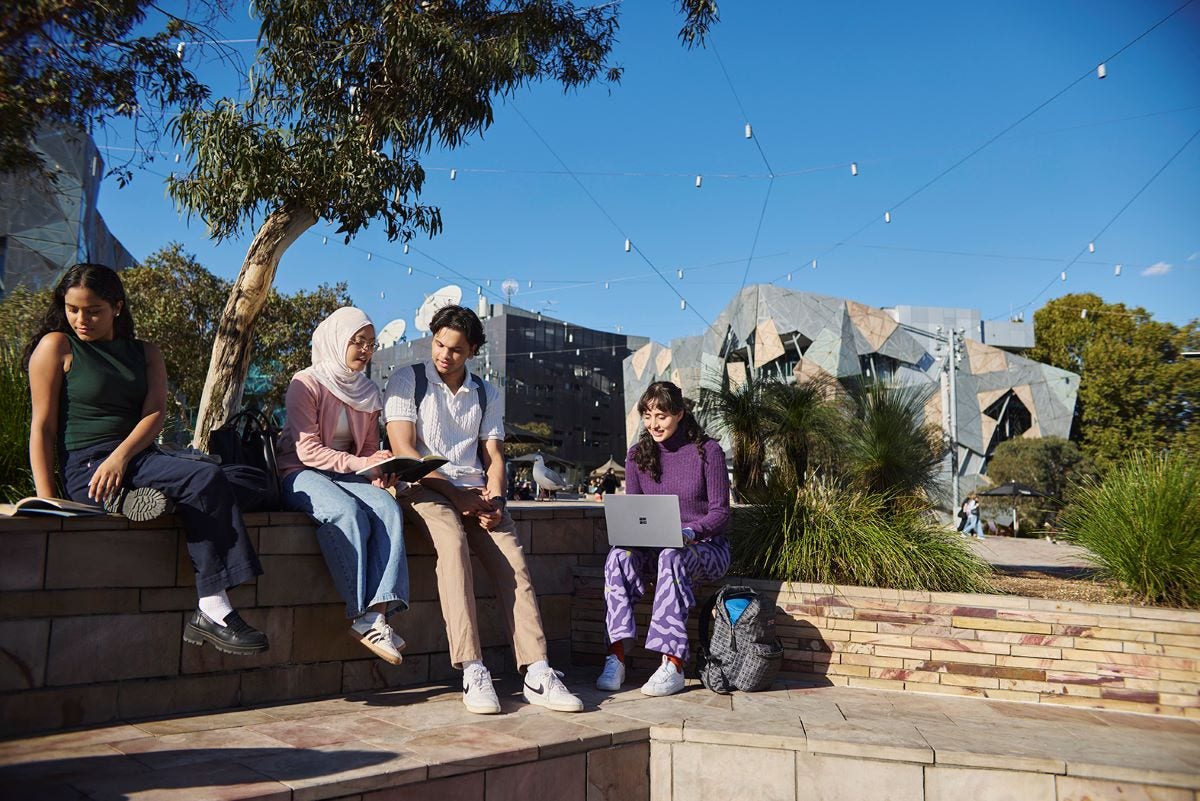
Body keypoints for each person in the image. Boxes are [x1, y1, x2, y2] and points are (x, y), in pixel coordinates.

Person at [24, 263, 268, 655]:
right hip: (89, 468)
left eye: (93, 310)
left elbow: (154, 413)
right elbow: (42, 428)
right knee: (204, 481)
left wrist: (122, 457)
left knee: (250, 481)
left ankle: (141, 498)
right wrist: (48, 500)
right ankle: (213, 607)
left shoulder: (146, 353)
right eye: (72, 309)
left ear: (117, 307)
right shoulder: (58, 346)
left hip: (136, 457)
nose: (81, 319)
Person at [383, 304, 582, 715]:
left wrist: (495, 499)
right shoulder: (407, 380)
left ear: (472, 350)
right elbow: (404, 450)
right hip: (424, 487)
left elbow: (493, 456)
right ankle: (473, 669)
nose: (444, 355)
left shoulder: (487, 393)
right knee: (453, 549)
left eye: (455, 349)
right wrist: (457, 497)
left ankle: (537, 670)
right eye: (439, 344)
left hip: (474, 492)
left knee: (514, 565)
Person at [275, 307, 409, 664]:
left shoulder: (367, 392)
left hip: (346, 473)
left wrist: (379, 468)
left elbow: (364, 451)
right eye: (357, 341)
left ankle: (376, 616)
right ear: (337, 340)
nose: (365, 350)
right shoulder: (306, 383)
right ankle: (360, 612)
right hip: (299, 472)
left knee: (387, 507)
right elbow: (306, 450)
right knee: (346, 512)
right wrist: (362, 464)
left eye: (370, 344)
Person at [597, 381, 731, 697]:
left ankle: (672, 664)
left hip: (705, 547)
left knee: (672, 555)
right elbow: (637, 511)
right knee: (618, 557)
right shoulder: (637, 455)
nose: (653, 423)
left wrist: (689, 532)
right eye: (648, 415)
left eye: (662, 415)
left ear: (680, 414)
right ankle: (615, 656)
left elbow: (721, 513)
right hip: (654, 546)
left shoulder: (707, 451)